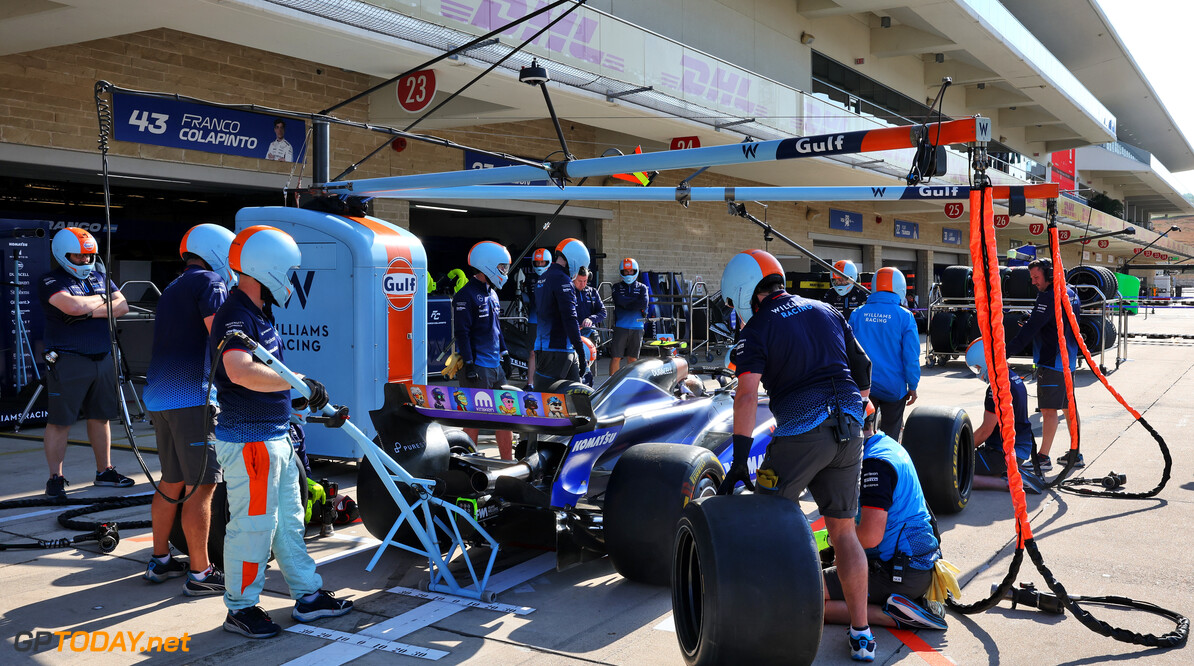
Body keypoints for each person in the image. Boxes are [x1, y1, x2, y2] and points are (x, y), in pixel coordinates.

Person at [718, 249, 877, 662]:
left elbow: (747, 392)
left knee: (766, 524)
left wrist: (738, 459)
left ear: (743, 290)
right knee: (844, 533)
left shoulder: (758, 327)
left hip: (803, 431)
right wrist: (858, 409)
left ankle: (769, 623)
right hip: (849, 429)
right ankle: (862, 635)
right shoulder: (826, 309)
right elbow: (863, 367)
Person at [210, 225, 352, 638]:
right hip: (249, 440)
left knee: (289, 522)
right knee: (252, 527)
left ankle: (308, 597)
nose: (289, 281)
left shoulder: (259, 312)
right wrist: (296, 382)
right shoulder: (235, 314)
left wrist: (292, 404)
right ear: (266, 267)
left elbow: (267, 375)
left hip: (275, 434)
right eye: (287, 271)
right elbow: (238, 370)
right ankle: (241, 607)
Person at [142, 224, 236, 595]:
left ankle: (160, 559)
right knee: (203, 487)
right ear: (215, 251)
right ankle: (200, 573)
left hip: (161, 397)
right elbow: (223, 338)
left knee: (171, 481)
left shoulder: (174, 284)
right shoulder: (211, 281)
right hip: (193, 399)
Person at [823, 402, 947, 632]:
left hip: (899, 572)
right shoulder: (884, 444)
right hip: (915, 566)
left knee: (806, 598)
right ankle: (907, 603)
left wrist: (833, 542)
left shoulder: (874, 466)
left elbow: (869, 537)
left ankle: (895, 615)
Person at [38, 228, 133, 498]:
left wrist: (86, 308)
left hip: (102, 357)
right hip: (68, 359)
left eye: (89, 256)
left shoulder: (101, 276)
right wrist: (103, 303)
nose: (84, 261)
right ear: (62, 254)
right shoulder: (49, 279)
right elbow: (72, 307)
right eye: (78, 256)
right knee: (59, 421)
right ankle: (56, 478)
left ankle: (105, 471)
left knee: (101, 417)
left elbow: (123, 307)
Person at [1005, 258, 1083, 471]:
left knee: (1049, 411)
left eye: (1036, 277)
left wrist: (1005, 353)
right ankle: (1076, 454)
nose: (1033, 282)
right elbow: (1054, 321)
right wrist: (1034, 318)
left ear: (1049, 275)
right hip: (1068, 360)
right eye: (1032, 278)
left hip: (1052, 362)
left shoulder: (1049, 296)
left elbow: (1029, 331)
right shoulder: (1070, 292)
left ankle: (1043, 458)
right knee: (1068, 408)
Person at [454, 241, 514, 461]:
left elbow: (497, 329)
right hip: (477, 367)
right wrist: (469, 363)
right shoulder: (465, 295)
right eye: (501, 267)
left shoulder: (493, 294)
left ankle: (508, 463)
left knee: (505, 417)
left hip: (495, 366)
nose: (504, 272)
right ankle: (466, 464)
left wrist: (505, 354)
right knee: (474, 420)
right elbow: (462, 333)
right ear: (486, 264)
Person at [964, 340, 1043, 494]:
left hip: (1003, 453)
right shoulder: (1012, 377)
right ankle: (1008, 472)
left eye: (977, 367)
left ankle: (1009, 482)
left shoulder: (997, 387)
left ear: (984, 361)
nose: (978, 373)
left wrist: (959, 450)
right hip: (1018, 449)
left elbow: (985, 430)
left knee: (953, 474)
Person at [849, 267, 919, 440]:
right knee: (891, 433)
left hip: (863, 386)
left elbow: (847, 352)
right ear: (900, 288)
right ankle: (885, 462)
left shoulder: (857, 313)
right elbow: (911, 357)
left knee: (861, 431)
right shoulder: (905, 316)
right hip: (893, 387)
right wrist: (913, 385)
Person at [533, 238, 589, 390]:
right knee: (549, 399)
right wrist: (581, 352)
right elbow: (570, 317)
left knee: (575, 395)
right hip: (557, 349)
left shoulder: (543, 277)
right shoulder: (562, 279)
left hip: (549, 346)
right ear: (575, 259)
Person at [609, 257, 648, 374]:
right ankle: (611, 383)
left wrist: (627, 303)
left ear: (635, 271)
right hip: (621, 327)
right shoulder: (616, 287)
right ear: (622, 272)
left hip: (637, 327)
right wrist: (634, 303)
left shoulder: (642, 287)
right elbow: (619, 301)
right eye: (626, 271)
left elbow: (643, 303)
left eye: (631, 271)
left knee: (633, 358)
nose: (629, 273)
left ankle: (630, 383)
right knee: (616, 357)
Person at [573, 265, 606, 386]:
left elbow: (603, 312)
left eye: (585, 281)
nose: (582, 284)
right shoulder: (568, 292)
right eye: (579, 281)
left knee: (588, 367)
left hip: (588, 335)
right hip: (572, 335)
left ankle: (588, 387)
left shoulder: (592, 292)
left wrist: (591, 319)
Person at [525, 248, 551, 386]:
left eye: (543, 262)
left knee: (549, 352)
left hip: (551, 321)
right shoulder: (531, 279)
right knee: (533, 353)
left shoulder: (554, 276)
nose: (540, 265)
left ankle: (547, 382)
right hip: (535, 320)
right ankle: (530, 383)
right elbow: (537, 300)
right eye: (537, 262)